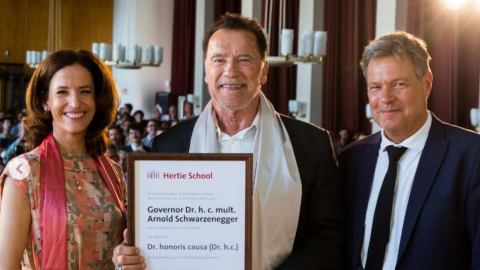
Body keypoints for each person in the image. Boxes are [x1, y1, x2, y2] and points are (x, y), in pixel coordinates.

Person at [140, 13, 345, 270]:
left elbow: (329, 237)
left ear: (264, 71)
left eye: (244, 59)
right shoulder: (167, 146)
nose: (230, 71)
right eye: (219, 60)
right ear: (206, 72)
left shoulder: (311, 144)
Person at [340, 31, 480, 270]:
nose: (385, 98)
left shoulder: (471, 155)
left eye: (398, 84)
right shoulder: (353, 158)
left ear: (426, 84)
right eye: (375, 87)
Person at [0, 50, 145, 269]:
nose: (75, 102)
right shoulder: (24, 172)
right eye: (62, 92)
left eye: (85, 91)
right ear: (45, 101)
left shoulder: (113, 171)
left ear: (96, 100)